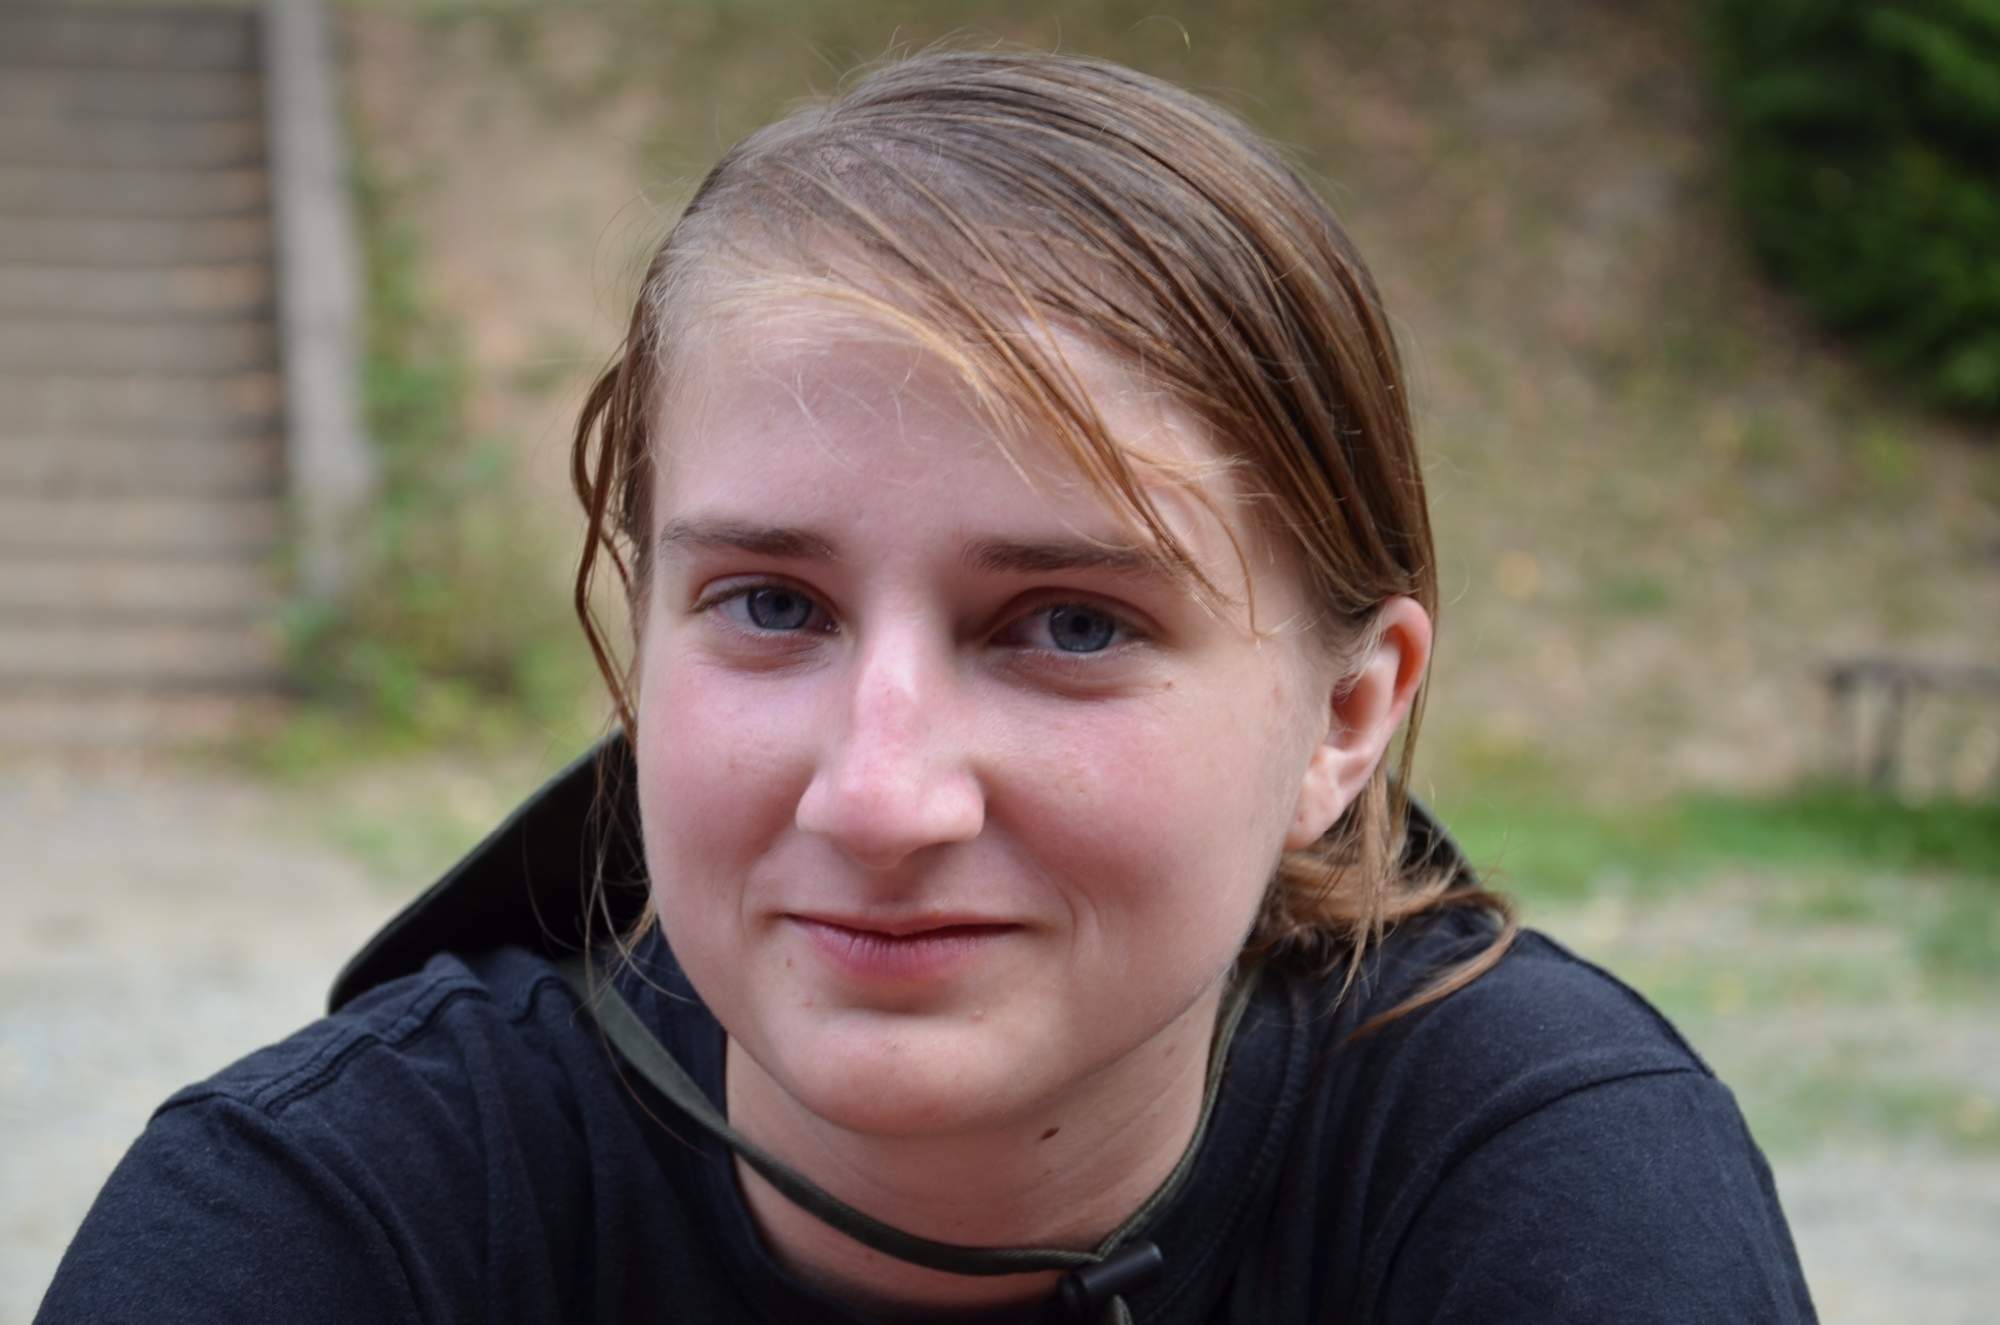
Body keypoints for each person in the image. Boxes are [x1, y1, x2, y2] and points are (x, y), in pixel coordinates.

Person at [38, 49, 1816, 1324]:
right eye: (771, 604)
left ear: (1346, 718)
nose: (881, 797)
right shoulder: (330, 1216)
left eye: (1071, 625)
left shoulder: (1551, 1186)